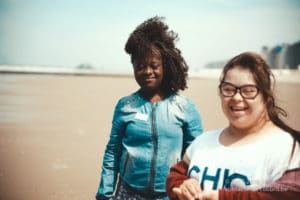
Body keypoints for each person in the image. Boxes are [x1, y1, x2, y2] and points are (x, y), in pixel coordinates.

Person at [95, 16, 203, 200]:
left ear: (166, 66)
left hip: (170, 194)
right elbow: (112, 152)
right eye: (140, 66)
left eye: (154, 65)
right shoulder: (125, 106)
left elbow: (197, 155)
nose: (147, 71)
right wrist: (104, 194)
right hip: (128, 193)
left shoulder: (184, 107)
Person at [166, 52, 300, 200]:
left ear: (266, 98)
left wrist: (222, 197)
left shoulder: (286, 147)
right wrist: (184, 184)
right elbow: (175, 175)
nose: (236, 97)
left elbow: (288, 193)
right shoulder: (203, 142)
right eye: (229, 89)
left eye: (248, 91)